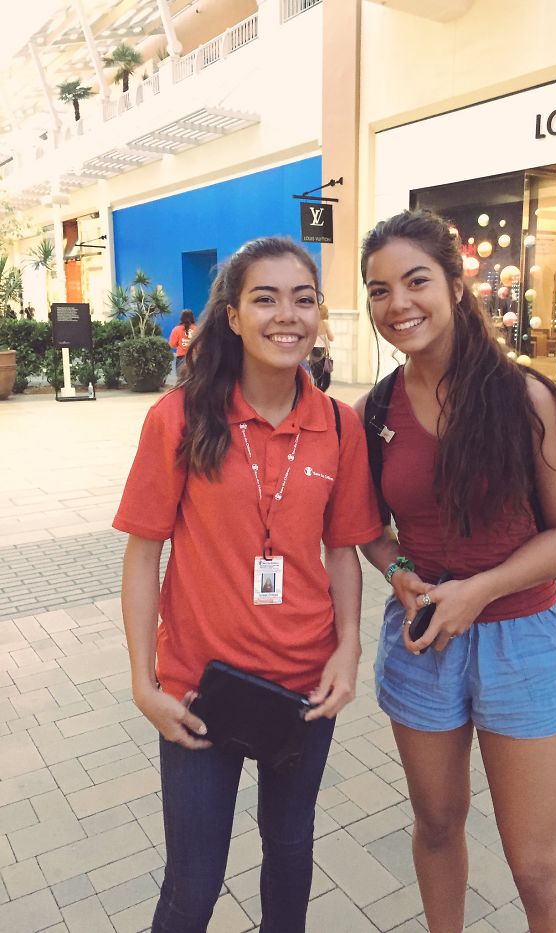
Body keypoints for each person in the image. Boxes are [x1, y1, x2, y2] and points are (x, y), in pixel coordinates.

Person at [113, 237, 382, 933]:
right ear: (232, 315)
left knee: (289, 857)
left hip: (305, 691)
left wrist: (349, 647)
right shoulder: (178, 417)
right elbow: (143, 555)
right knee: (193, 886)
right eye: (265, 299)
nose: (286, 315)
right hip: (197, 693)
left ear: (319, 313)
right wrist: (144, 683)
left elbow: (343, 551)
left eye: (303, 299)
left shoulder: (338, 425)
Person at [356, 210, 556, 933]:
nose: (398, 303)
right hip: (423, 639)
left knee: (538, 867)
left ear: (456, 287)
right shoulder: (374, 411)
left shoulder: (527, 399)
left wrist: (481, 590)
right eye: (379, 289)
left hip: (522, 641)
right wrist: (398, 569)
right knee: (435, 825)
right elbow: (369, 530)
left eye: (416, 281)